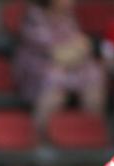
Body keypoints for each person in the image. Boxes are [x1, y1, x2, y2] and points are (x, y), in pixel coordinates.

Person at [13, 0, 106, 133]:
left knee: (94, 74)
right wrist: (76, 50)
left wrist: (76, 50)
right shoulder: (34, 17)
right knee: (55, 83)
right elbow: (56, 53)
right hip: (39, 69)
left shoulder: (68, 16)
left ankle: (91, 133)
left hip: (70, 65)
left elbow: (80, 44)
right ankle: (38, 135)